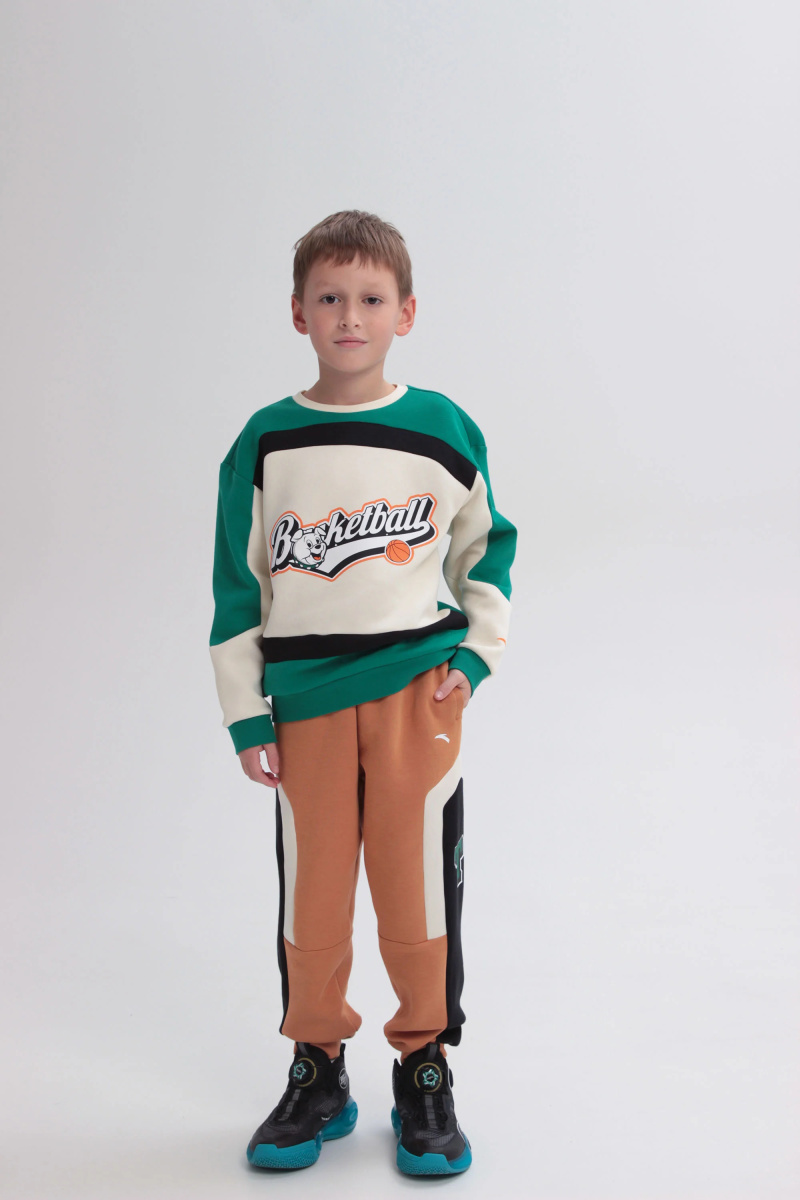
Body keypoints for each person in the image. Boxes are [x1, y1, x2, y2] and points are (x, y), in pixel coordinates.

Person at [208, 209, 516, 1176]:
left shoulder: (440, 429)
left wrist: (473, 659)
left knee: (414, 888)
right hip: (302, 709)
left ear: (406, 313)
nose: (351, 316)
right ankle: (318, 1066)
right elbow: (237, 587)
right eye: (330, 298)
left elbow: (486, 550)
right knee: (314, 896)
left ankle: (424, 1065)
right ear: (298, 313)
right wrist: (245, 712)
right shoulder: (266, 441)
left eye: (372, 299)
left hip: (414, 697)